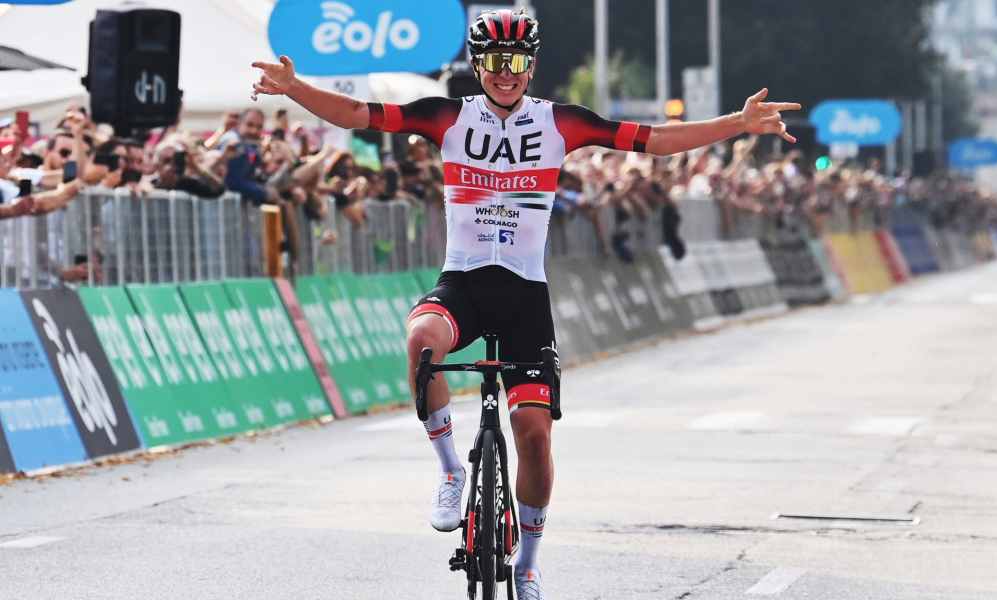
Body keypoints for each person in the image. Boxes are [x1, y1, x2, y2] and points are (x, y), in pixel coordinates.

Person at [252, 9, 799, 598]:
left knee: (534, 433)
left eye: (515, 63)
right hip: (462, 282)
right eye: (494, 62)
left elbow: (655, 141)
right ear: (478, 65)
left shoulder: (560, 122)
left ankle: (530, 562)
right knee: (420, 342)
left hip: (523, 298)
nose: (505, 74)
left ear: (531, 66)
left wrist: (736, 124)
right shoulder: (447, 116)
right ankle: (450, 472)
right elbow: (358, 114)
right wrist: (296, 89)